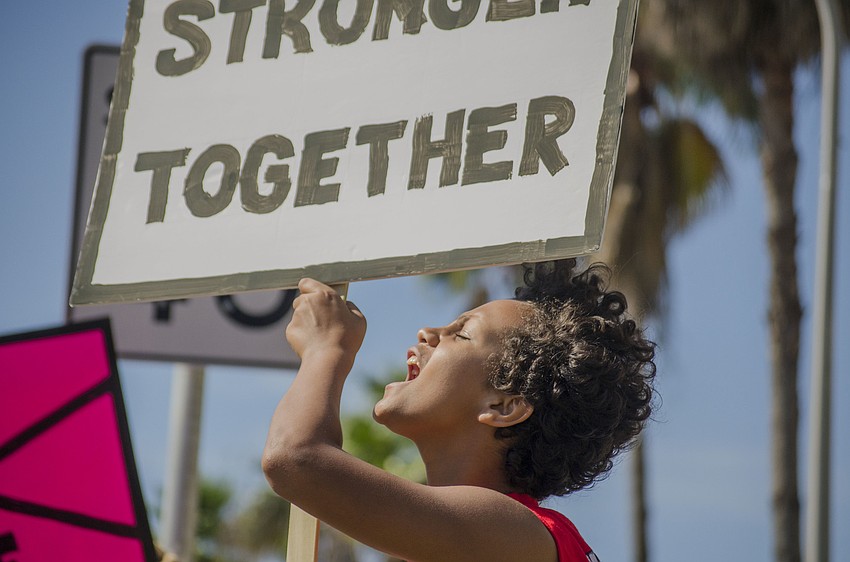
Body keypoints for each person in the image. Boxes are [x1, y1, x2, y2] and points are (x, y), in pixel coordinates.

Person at [263, 259, 656, 562]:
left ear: (504, 405)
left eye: (462, 334)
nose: (428, 333)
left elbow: (296, 458)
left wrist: (326, 347)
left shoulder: (510, 531)